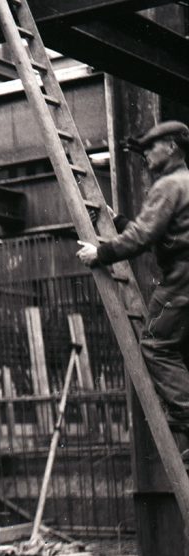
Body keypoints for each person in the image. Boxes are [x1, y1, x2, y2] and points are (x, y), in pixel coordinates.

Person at [76, 120, 189, 457]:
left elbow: (143, 237)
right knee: (178, 350)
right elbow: (162, 233)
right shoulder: (184, 183)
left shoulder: (169, 185)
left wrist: (101, 253)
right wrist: (117, 220)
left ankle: (186, 414)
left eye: (150, 147)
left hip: (182, 279)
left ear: (170, 146)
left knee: (156, 345)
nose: (145, 156)